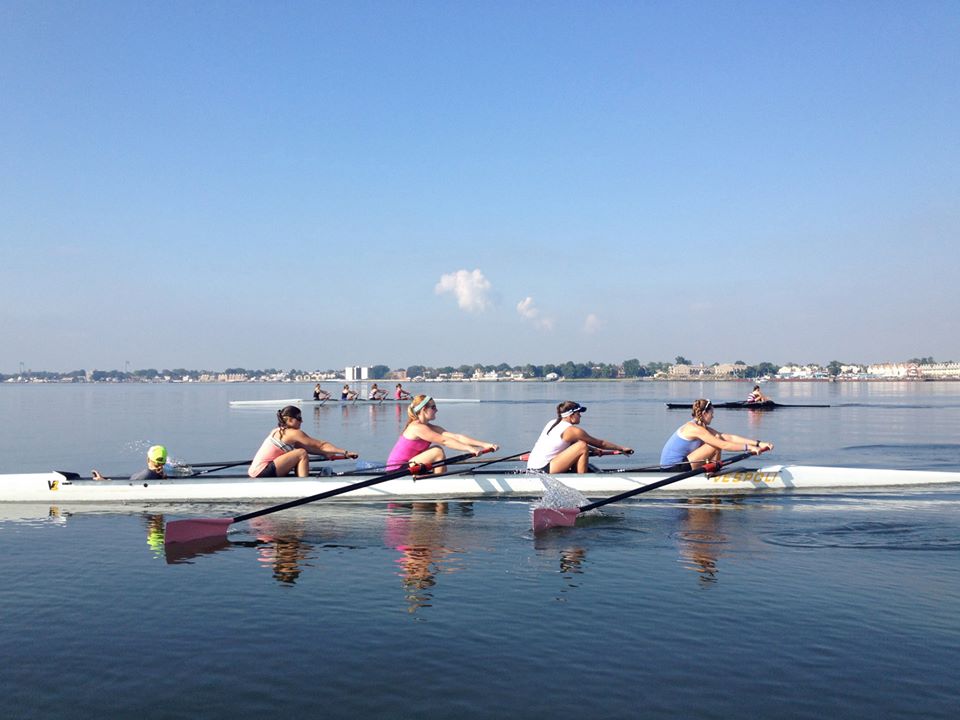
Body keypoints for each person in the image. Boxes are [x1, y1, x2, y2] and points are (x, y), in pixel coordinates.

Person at [385, 394, 498, 474]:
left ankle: (438, 478)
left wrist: (484, 445)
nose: (437, 410)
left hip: (410, 466)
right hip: (396, 470)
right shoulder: (417, 427)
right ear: (424, 409)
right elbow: (445, 441)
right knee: (437, 451)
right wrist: (470, 449)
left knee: (437, 450)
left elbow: (456, 437)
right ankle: (438, 481)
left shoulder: (430, 427)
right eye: (433, 407)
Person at [660, 399, 773, 470]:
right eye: (712, 413)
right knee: (716, 442)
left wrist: (759, 443)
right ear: (704, 413)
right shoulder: (694, 428)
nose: (713, 416)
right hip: (672, 468)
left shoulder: (701, 427)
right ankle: (714, 471)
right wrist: (749, 448)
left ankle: (713, 469)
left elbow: (729, 437)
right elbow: (723, 445)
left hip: (682, 463)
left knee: (718, 438)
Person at [249, 405, 359, 478]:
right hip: (262, 472)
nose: (302, 421)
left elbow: (312, 449)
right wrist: (345, 452)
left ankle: (301, 479)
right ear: (290, 419)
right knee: (301, 453)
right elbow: (321, 445)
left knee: (302, 452)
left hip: (257, 472)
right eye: (299, 418)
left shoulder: (278, 431)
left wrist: (327, 453)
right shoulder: (294, 433)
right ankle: (303, 484)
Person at [526, 401, 634, 474]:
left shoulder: (552, 423)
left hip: (533, 467)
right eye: (578, 413)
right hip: (542, 470)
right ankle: (581, 480)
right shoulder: (572, 430)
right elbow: (600, 443)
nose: (580, 415)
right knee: (582, 446)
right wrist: (621, 448)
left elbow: (572, 443)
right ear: (571, 415)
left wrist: (594, 450)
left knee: (582, 446)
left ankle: (577, 473)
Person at [93, 444, 169, 482]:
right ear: (164, 462)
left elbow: (125, 488)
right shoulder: (161, 475)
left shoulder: (147, 474)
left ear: (148, 459)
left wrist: (103, 481)